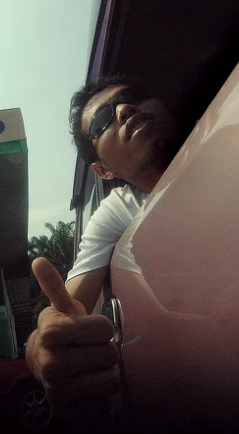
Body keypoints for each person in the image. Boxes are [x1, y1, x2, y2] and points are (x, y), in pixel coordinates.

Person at [25, 76, 177, 415]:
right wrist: (41, 351)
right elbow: (68, 312)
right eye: (102, 120)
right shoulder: (118, 210)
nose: (124, 109)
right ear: (103, 170)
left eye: (134, 95)